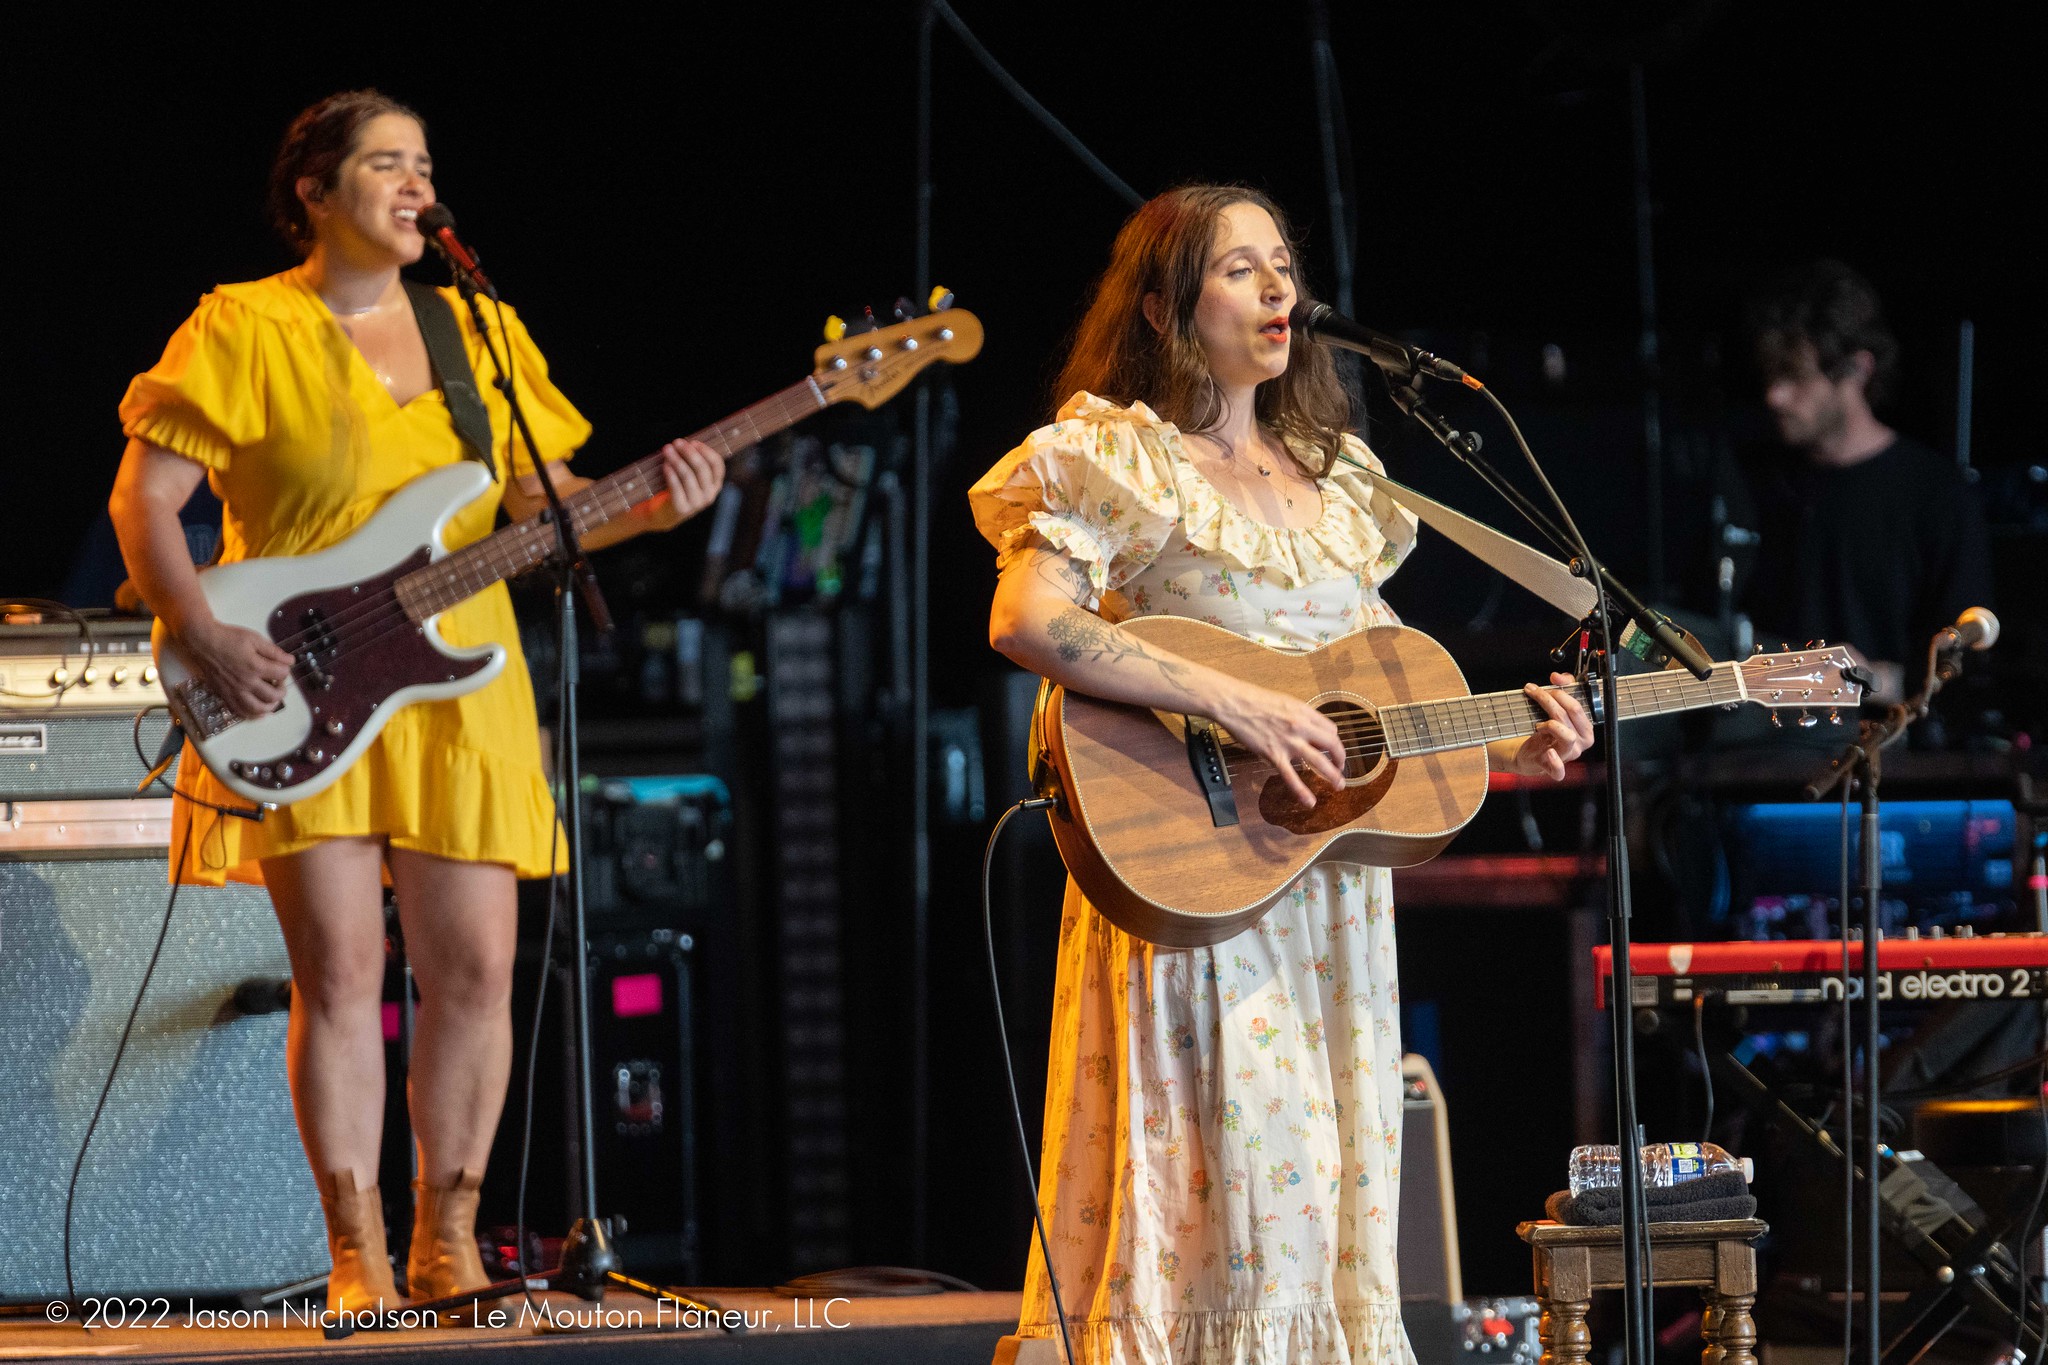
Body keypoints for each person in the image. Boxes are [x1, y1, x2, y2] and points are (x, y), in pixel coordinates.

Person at [106, 90, 725, 1313]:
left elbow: (545, 501)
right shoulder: (242, 326)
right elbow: (143, 503)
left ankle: (450, 1241)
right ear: (314, 194)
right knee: (341, 973)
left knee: (477, 972)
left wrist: (658, 500)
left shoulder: (471, 329)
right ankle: (357, 1255)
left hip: (457, 683)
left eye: (424, 163)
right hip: (294, 674)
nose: (413, 183)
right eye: (383, 163)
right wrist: (203, 634)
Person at [970, 185, 1593, 1364]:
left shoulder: (1340, 484)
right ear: (1162, 306)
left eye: (1280, 267)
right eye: (1236, 269)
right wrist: (1232, 699)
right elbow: (1025, 617)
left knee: (1318, 1201)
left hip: (1325, 900)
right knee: (1233, 1192)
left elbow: (1376, 691)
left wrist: (1513, 736)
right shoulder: (1115, 458)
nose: (1276, 291)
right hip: (1188, 871)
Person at [1737, 259, 1992, 702]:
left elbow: (1968, 663)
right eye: (1771, 375)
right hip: (1760, 756)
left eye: (1795, 377)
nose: (1774, 395)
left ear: (1858, 369)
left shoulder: (1938, 496)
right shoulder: (1756, 484)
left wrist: (1869, 680)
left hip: (1894, 751)